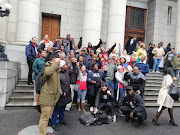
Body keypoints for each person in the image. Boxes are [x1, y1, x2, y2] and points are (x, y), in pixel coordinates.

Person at [39, 53, 62, 135]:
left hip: (53, 98)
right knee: (44, 118)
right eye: (58, 59)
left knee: (48, 117)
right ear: (53, 60)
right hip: (47, 97)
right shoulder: (48, 66)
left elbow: (58, 83)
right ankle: (42, 134)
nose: (60, 62)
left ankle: (44, 132)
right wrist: (55, 63)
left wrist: (60, 92)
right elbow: (48, 73)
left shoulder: (56, 70)